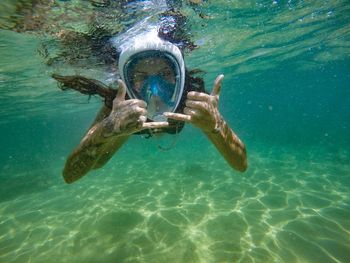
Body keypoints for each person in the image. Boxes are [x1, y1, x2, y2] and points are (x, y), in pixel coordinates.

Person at [57, 28, 247, 184]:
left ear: (179, 77)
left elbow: (241, 164)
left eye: (164, 73)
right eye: (142, 77)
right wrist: (108, 128)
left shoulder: (192, 101)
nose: (154, 89)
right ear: (128, 81)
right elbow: (71, 175)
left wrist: (216, 125)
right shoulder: (122, 109)